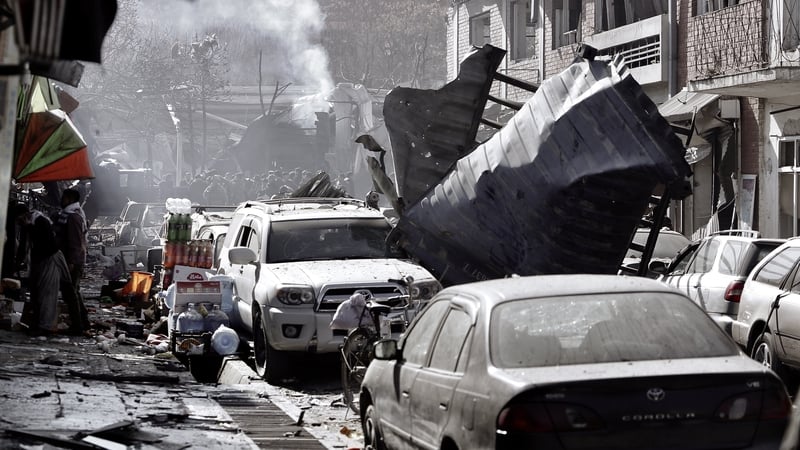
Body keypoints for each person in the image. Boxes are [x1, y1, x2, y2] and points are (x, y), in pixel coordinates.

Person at [17, 204, 71, 336]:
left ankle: (44, 326)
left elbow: (46, 245)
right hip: (39, 262)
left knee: (48, 294)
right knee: (36, 294)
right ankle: (36, 323)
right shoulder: (28, 224)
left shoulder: (40, 222)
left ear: (25, 215)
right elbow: (23, 246)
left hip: (50, 260)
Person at [53, 188, 90, 334]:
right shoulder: (73, 214)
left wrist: (72, 262)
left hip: (73, 260)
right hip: (73, 259)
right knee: (74, 291)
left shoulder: (73, 217)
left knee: (70, 292)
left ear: (69, 198)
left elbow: (75, 241)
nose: (61, 200)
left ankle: (78, 326)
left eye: (63, 197)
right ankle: (83, 322)